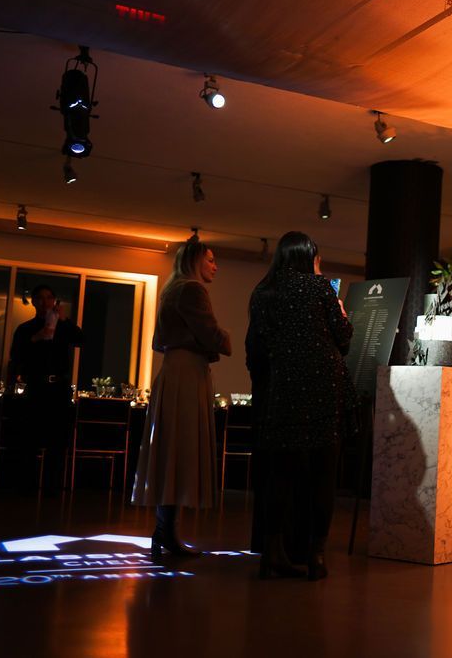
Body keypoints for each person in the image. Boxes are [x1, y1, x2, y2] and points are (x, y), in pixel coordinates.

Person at [246, 231, 356, 580]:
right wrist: (341, 314)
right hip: (325, 389)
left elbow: (260, 347)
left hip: (285, 390)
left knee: (280, 475)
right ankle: (316, 555)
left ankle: (273, 553)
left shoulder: (263, 293)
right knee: (323, 475)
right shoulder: (320, 288)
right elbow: (343, 338)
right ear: (308, 256)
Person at [132, 237, 231, 557]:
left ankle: (164, 531)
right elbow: (211, 333)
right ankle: (165, 532)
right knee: (181, 449)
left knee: (171, 451)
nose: (215, 266)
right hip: (187, 374)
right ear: (194, 261)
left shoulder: (171, 289)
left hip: (175, 370)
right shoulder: (193, 290)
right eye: (211, 260)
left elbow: (158, 342)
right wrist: (228, 341)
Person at [7, 284, 83, 489]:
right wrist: (35, 338)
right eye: (40, 298)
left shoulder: (63, 327)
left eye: (49, 298)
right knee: (30, 436)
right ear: (33, 302)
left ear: (54, 301)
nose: (45, 302)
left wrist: (65, 321)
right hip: (36, 386)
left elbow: (81, 340)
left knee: (57, 438)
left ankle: (52, 486)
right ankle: (27, 484)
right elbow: (15, 356)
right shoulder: (25, 329)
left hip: (59, 387)